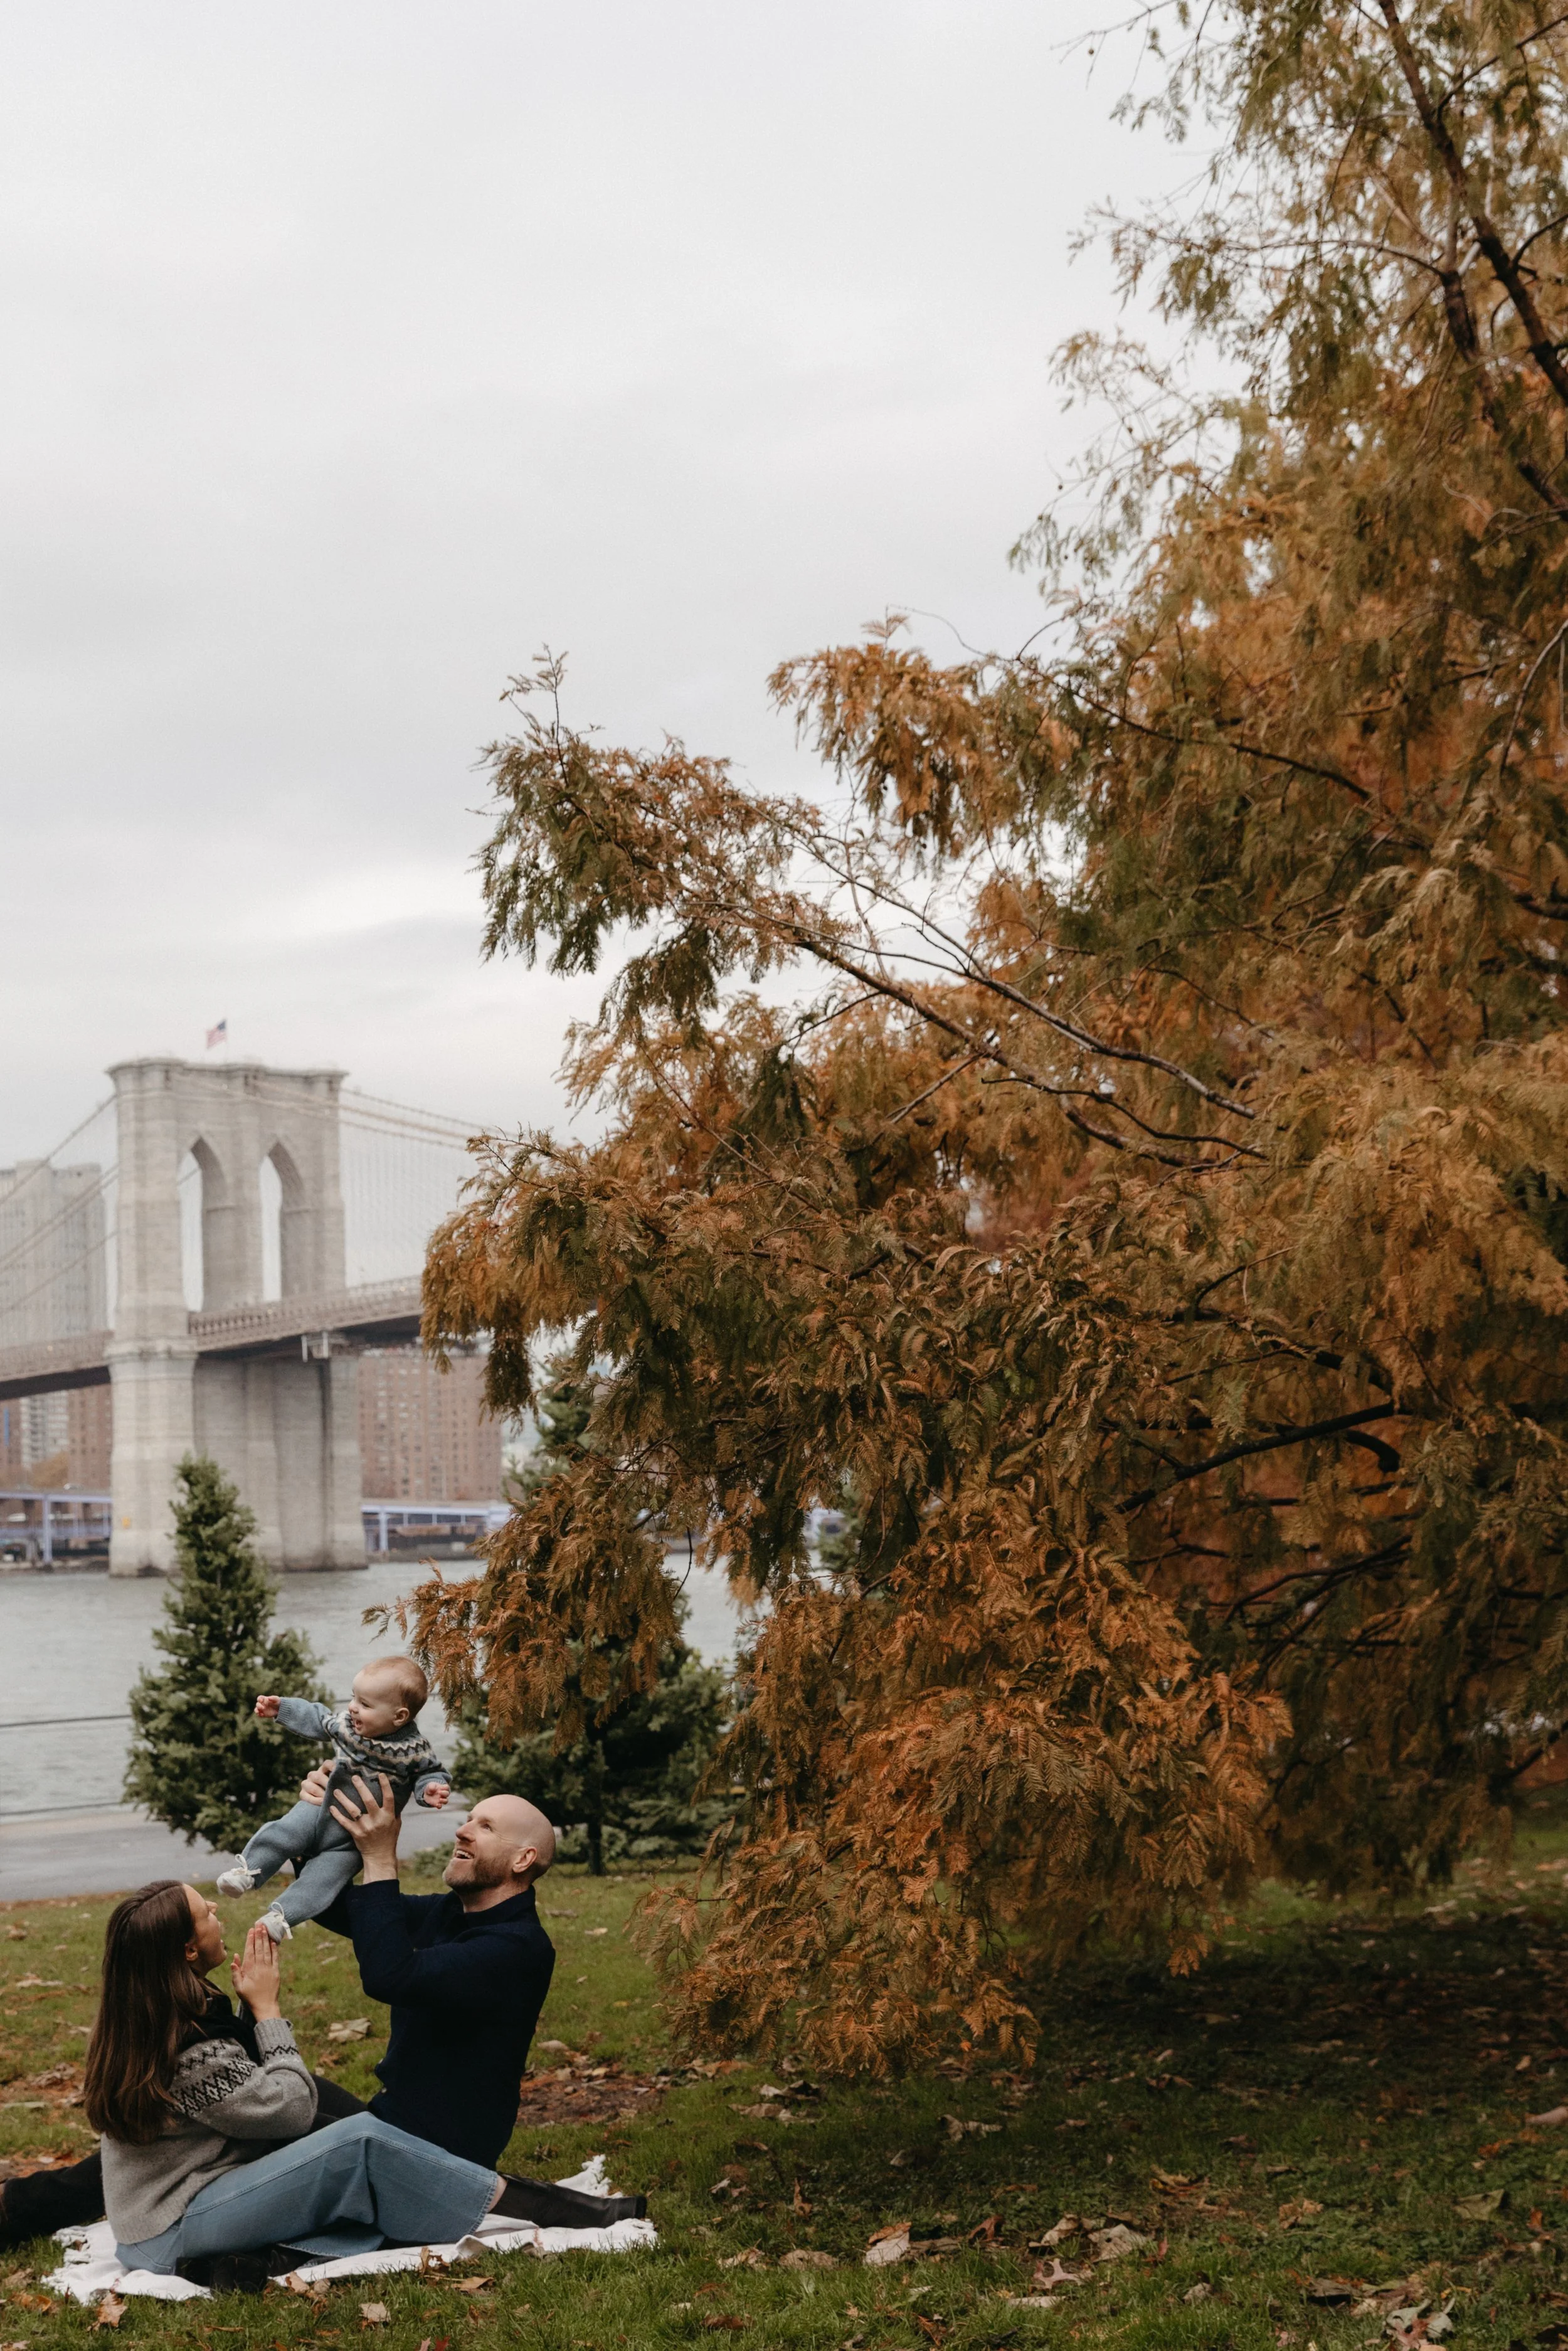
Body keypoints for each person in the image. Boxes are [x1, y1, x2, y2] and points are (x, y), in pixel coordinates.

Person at [85, 1879, 569, 2278]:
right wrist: (267, 2009)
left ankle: (257, 2263)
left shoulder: (157, 2012)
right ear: (189, 1949)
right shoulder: (188, 2047)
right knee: (358, 2143)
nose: (215, 1906)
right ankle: (551, 2209)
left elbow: (245, 2081)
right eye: (203, 1911)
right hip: (169, 2232)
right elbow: (290, 2109)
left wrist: (251, 2008)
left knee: (365, 2178)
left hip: (175, 2214)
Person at [216, 1657, 450, 1941]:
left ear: (399, 1716)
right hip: (320, 1809)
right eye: (354, 1698)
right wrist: (282, 1709)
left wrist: (431, 1790)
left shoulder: (415, 1750)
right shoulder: (347, 1727)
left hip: (355, 1840)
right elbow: (318, 1717)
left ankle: (281, 1917)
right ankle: (247, 1872)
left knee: (324, 1880)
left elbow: (430, 1772)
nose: (353, 1707)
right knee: (285, 1832)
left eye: (365, 1704)